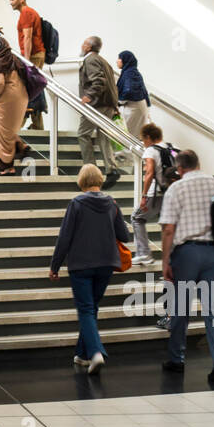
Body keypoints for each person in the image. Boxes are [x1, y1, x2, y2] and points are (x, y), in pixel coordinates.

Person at [49, 164, 130, 375]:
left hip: (81, 265)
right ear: (100, 180)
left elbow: (64, 237)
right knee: (91, 308)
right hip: (106, 264)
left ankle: (96, 353)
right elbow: (125, 236)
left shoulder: (76, 203)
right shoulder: (112, 203)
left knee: (85, 309)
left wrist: (55, 266)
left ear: (82, 181)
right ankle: (83, 354)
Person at [160, 150, 214, 384]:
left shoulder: (175, 189)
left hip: (186, 253)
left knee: (180, 309)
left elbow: (169, 229)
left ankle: (176, 359)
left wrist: (165, 261)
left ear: (179, 169)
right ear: (198, 164)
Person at [78, 36, 121, 188]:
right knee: (103, 135)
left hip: (97, 105)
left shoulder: (90, 60)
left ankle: (91, 170)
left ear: (89, 47)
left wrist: (88, 96)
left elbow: (99, 81)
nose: (81, 46)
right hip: (107, 104)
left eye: (84, 43)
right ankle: (112, 169)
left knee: (83, 134)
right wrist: (114, 105)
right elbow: (111, 83)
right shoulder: (104, 61)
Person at [0, 36, 31, 176]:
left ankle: (7, 166)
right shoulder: (14, 59)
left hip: (7, 99)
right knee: (8, 131)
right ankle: (19, 146)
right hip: (21, 97)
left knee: (0, 133)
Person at [8, 0, 45, 130]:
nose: (10, 2)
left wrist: (26, 61)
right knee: (32, 90)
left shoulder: (26, 13)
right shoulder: (27, 13)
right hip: (35, 55)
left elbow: (28, 37)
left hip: (33, 56)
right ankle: (37, 125)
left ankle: (17, 127)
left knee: (23, 91)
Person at [131, 122, 166, 268]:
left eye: (143, 140)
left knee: (137, 218)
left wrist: (144, 196)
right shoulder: (171, 147)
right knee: (167, 224)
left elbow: (150, 172)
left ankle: (144, 253)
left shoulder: (151, 151)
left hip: (155, 192)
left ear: (148, 137)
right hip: (170, 192)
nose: (144, 143)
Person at [116, 50, 151, 138]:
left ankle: (128, 152)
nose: (117, 61)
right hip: (136, 107)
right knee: (132, 134)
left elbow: (129, 90)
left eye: (119, 58)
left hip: (135, 108)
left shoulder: (130, 73)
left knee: (129, 135)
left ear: (124, 60)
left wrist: (120, 101)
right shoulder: (131, 72)